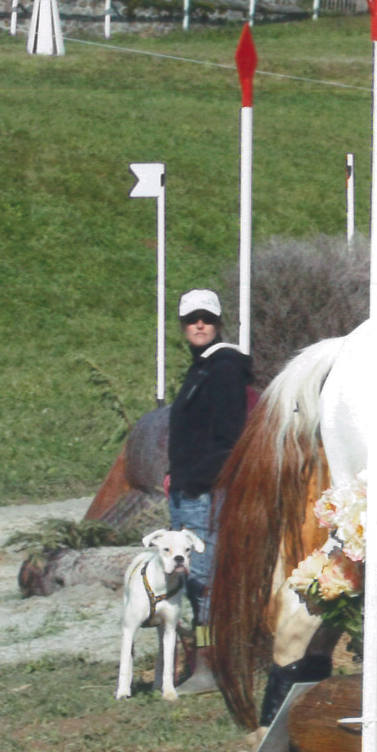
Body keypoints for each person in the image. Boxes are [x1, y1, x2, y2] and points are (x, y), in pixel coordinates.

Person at [166, 289, 254, 695]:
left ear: (219, 322)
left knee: (204, 579)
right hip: (186, 488)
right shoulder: (200, 368)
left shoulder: (223, 370)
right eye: (190, 319)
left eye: (206, 317)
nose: (198, 325)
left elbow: (229, 438)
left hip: (205, 490)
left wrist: (200, 480)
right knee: (189, 577)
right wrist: (176, 474)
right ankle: (201, 663)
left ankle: (210, 668)